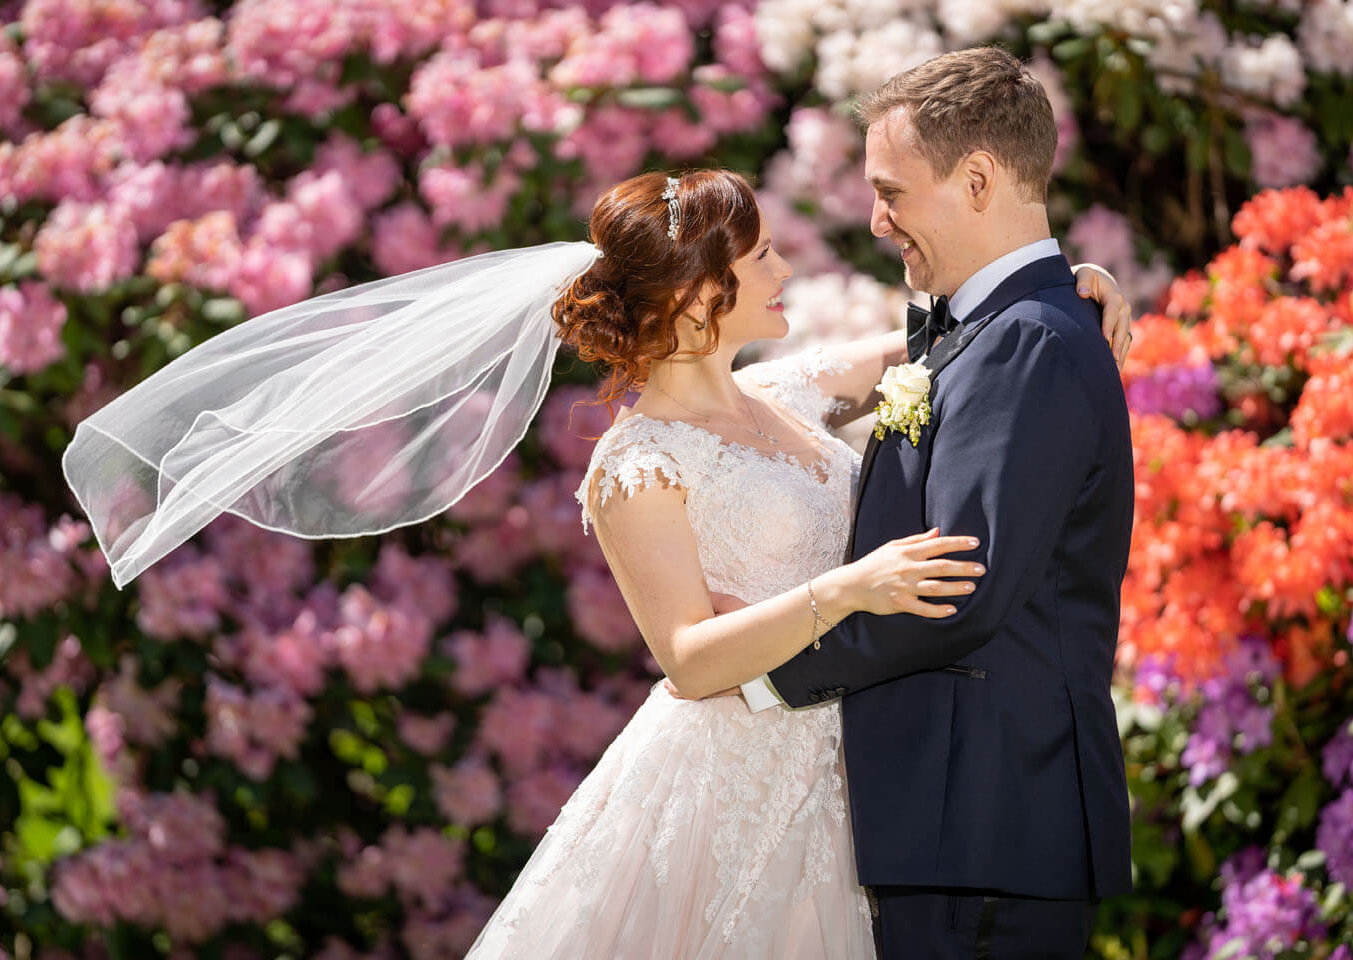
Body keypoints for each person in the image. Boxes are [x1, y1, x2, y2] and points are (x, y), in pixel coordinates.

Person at [462, 162, 1130, 957]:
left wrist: (1062, 286)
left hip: (855, 763)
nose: (785, 271)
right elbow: (688, 659)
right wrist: (845, 590)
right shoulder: (635, 464)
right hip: (733, 775)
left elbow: (975, 335)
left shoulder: (786, 391)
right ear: (695, 290)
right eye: (761, 259)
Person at [742, 48, 1137, 959]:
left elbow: (955, 585)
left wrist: (760, 676)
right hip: (959, 827)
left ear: (978, 179)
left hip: (984, 825)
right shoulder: (1003, 329)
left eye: (894, 191)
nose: (877, 221)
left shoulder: (1029, 342)